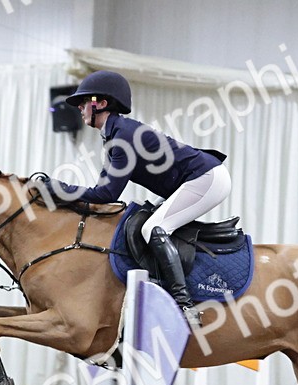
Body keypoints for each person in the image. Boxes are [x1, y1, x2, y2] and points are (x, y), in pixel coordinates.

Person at [37, 70, 231, 324]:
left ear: (101, 103)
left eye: (84, 102)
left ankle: (184, 306)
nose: (81, 108)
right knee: (144, 222)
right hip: (197, 177)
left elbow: (106, 194)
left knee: (154, 227)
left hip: (206, 177)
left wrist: (58, 190)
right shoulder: (115, 135)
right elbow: (103, 191)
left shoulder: (122, 137)